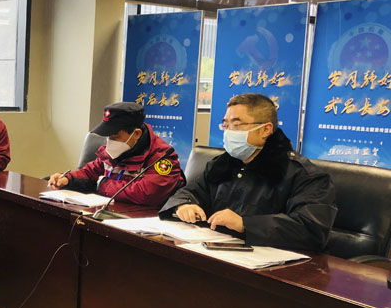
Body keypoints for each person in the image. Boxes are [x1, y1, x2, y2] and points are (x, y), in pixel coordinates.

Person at [159, 93, 337, 251]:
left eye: (236, 125)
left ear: (266, 129)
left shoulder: (304, 175)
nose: (228, 132)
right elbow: (189, 191)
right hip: (215, 252)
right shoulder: (222, 165)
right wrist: (184, 205)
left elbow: (311, 230)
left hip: (272, 266)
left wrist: (245, 224)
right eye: (225, 125)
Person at [47, 102, 184, 207]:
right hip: (109, 211)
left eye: (115, 137)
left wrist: (104, 184)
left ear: (136, 134)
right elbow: (91, 172)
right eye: (108, 137)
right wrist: (68, 179)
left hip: (143, 221)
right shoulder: (115, 150)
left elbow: (147, 194)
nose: (109, 142)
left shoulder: (163, 157)